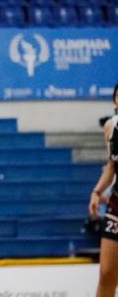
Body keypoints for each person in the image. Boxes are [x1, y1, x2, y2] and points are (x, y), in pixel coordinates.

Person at [89, 83, 118, 297]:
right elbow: (111, 166)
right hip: (117, 203)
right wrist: (97, 192)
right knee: (107, 273)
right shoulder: (110, 127)